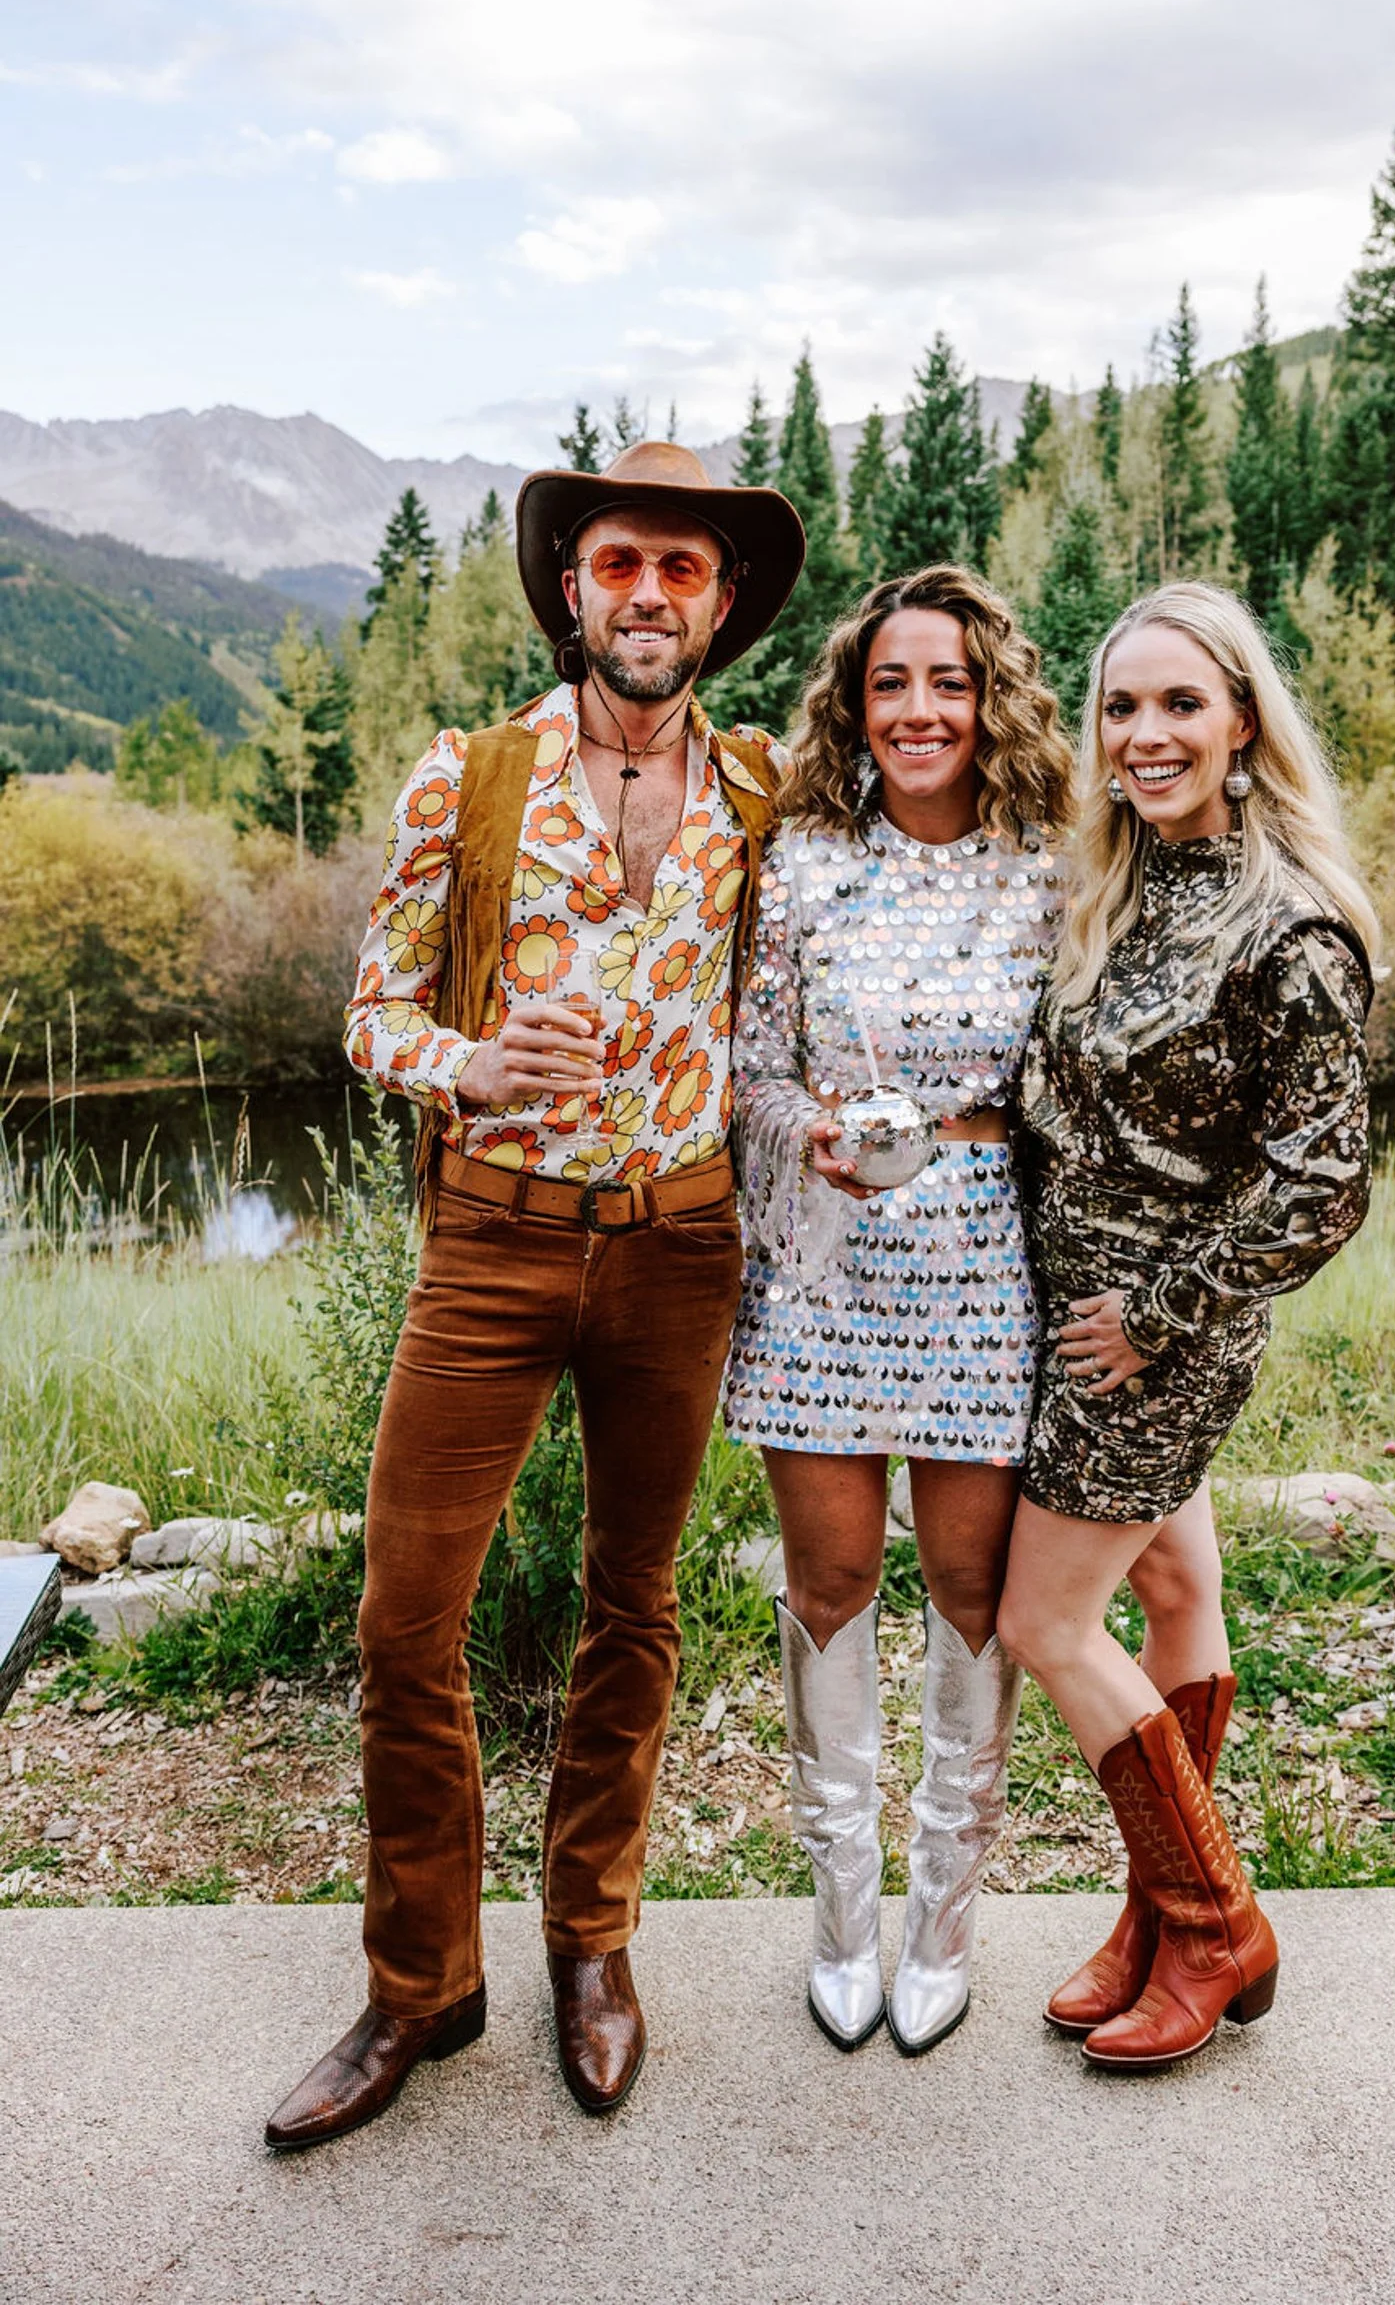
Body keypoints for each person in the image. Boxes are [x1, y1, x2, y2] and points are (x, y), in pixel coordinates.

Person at [264, 442, 805, 2148]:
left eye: (681, 569)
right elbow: (371, 1017)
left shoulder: (765, 789)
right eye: (621, 562)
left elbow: (803, 996)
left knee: (632, 1605)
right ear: (573, 587)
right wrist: (474, 1060)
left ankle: (593, 1943)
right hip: (491, 1243)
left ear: (720, 604)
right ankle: (421, 1981)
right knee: (403, 1621)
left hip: (681, 1244)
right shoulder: (472, 774)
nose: (649, 593)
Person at [997, 580, 1378, 2073]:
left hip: (1152, 1337)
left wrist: (1155, 1320)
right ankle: (1159, 1915)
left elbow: (1321, 1186)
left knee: (1044, 1623)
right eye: (1121, 706)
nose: (1143, 734)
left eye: (1179, 704)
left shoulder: (1292, 928)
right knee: (1172, 1587)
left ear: (1242, 726)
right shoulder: (1125, 883)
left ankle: (1216, 1924)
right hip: (1078, 1312)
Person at [724, 564, 1074, 2054]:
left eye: (949, 682)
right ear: (853, 708)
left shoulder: (1053, 866)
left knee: (970, 1597)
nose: (920, 709)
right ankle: (842, 1920)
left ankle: (944, 1918)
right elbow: (750, 1066)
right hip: (823, 1267)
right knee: (830, 1587)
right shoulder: (802, 861)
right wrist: (800, 1126)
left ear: (990, 701)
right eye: (891, 684)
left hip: (987, 1262)